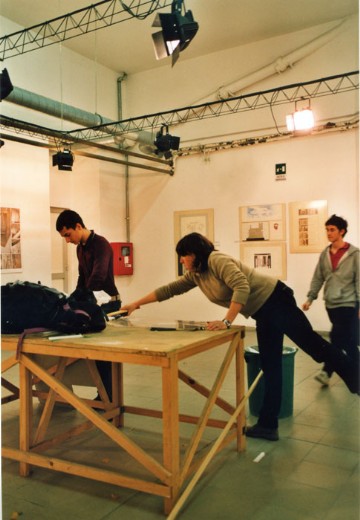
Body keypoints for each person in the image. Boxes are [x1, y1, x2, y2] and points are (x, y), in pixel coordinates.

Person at [121, 232, 359, 441]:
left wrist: (226, 321)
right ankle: (268, 425)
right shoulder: (196, 274)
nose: (181, 261)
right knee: (270, 365)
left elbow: (241, 285)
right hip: (262, 311)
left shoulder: (216, 260)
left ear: (194, 253)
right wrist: (135, 304)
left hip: (277, 300)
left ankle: (355, 378)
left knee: (314, 346)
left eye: (183, 255)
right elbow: (169, 290)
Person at [56, 209, 121, 400]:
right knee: (94, 351)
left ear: (78, 226)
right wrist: (73, 297)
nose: (67, 241)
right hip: (93, 300)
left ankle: (108, 395)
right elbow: (82, 277)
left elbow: (98, 277)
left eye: (68, 235)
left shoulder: (101, 244)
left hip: (108, 301)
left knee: (103, 352)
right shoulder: (80, 248)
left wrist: (82, 296)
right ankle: (103, 393)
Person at [302, 214, 359, 386]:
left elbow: (359, 279)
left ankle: (327, 371)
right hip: (331, 303)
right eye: (327, 230)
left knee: (336, 336)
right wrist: (310, 298)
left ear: (342, 231)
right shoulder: (325, 254)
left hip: (349, 303)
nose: (329, 233)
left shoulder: (354, 254)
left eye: (332, 230)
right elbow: (318, 277)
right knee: (347, 342)